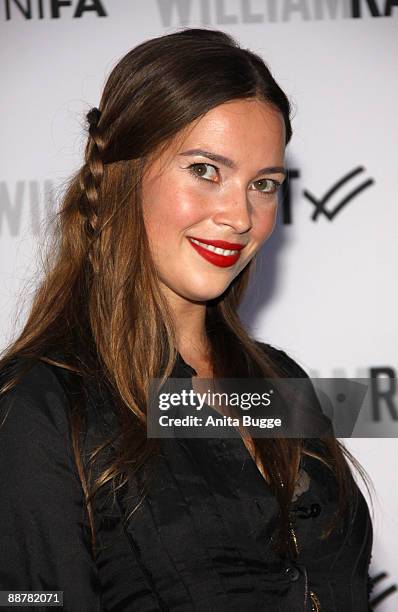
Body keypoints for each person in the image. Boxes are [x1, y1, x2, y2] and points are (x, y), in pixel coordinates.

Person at [0, 27, 374, 611]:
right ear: (122, 173)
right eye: (205, 170)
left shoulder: (279, 381)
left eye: (264, 185)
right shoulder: (41, 402)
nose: (239, 215)